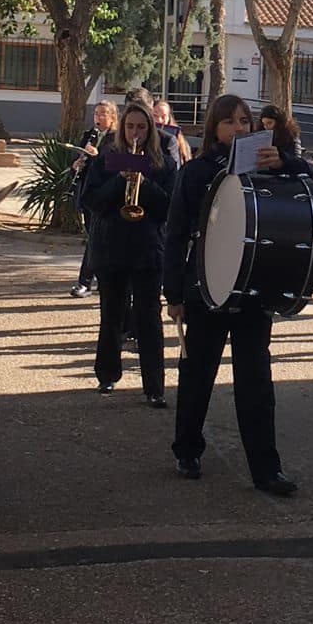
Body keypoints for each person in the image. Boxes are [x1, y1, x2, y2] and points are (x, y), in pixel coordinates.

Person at [162, 95, 310, 496]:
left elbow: (309, 182)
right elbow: (176, 234)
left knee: (256, 382)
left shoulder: (268, 166)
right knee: (197, 375)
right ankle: (187, 451)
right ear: (214, 127)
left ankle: (266, 469)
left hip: (253, 289)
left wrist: (286, 162)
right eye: (229, 122)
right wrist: (173, 293)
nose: (239, 128)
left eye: (244, 121)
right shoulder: (196, 172)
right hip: (207, 288)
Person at [82, 101, 177, 405]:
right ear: (122, 128)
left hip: (147, 248)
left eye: (142, 127)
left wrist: (143, 183)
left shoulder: (163, 163)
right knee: (111, 313)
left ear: (151, 130)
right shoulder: (107, 159)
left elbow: (168, 208)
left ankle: (154, 387)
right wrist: (119, 180)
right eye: (131, 126)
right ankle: (107, 375)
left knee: (149, 317)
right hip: (111, 246)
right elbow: (91, 200)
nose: (136, 133)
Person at [69, 100, 120, 298]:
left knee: (96, 239)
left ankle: (85, 282)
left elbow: (119, 164)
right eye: (96, 113)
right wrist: (76, 164)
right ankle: (97, 279)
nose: (98, 117)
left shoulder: (117, 138)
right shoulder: (88, 135)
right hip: (88, 193)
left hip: (107, 194)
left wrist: (98, 156)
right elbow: (79, 159)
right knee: (94, 238)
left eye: (103, 114)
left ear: (112, 117)